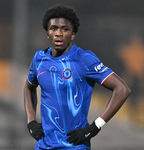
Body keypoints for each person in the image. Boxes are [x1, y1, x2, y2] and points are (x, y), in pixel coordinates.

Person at [24, 4, 131, 150]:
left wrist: (95, 127)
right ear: (47, 33)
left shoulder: (84, 59)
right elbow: (29, 87)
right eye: (53, 28)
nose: (59, 33)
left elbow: (122, 89)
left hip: (74, 147)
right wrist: (31, 121)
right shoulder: (39, 59)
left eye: (65, 29)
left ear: (73, 34)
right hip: (44, 146)